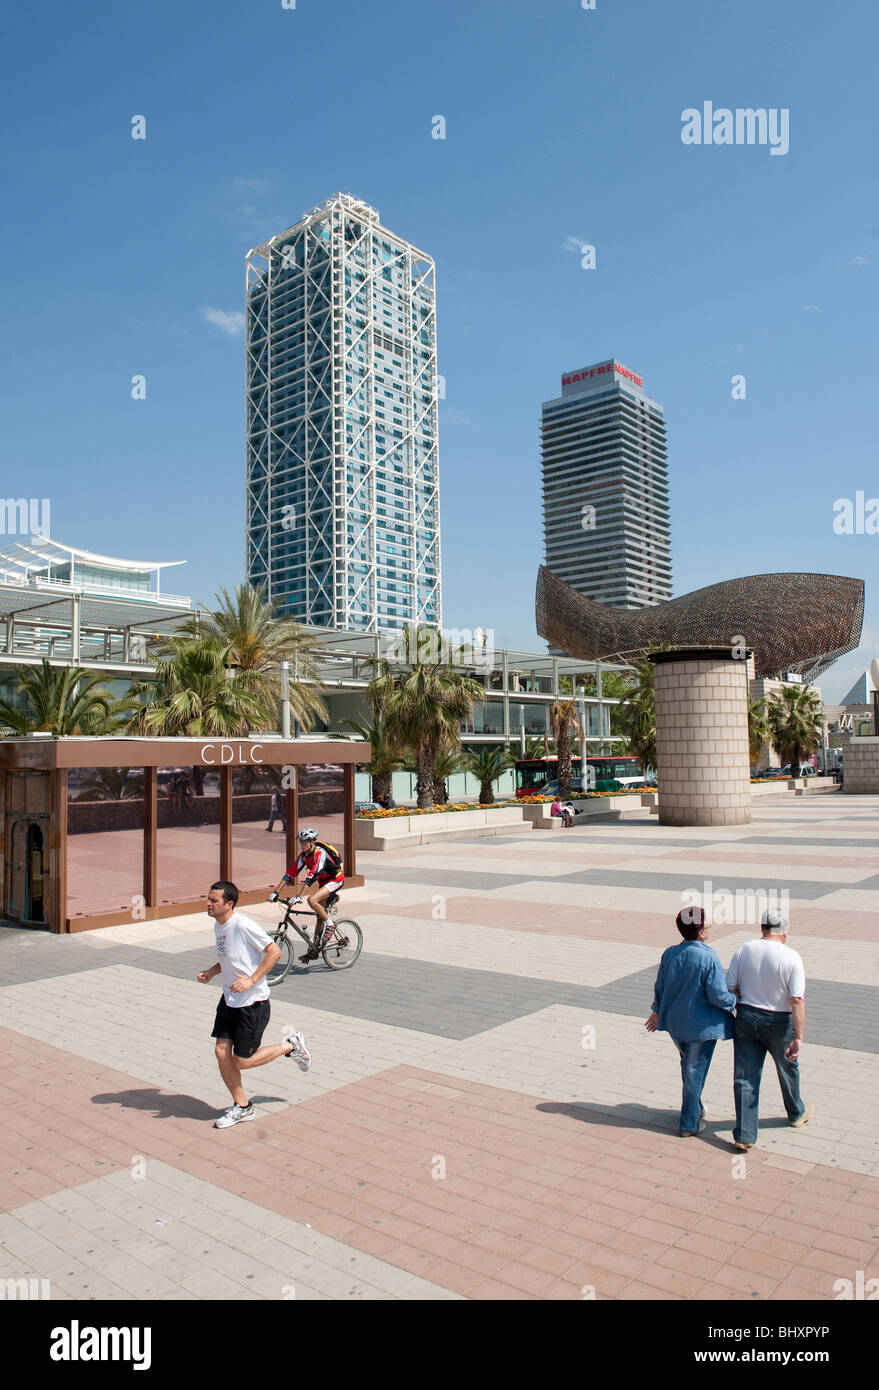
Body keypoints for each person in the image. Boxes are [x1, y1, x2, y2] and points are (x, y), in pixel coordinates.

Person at [199, 881, 311, 1129]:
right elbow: (229, 959)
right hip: (229, 999)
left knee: (241, 1061)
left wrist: (251, 979)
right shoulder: (219, 926)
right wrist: (212, 972)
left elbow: (273, 952)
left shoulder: (243, 925)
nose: (208, 904)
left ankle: (289, 1046)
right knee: (220, 1052)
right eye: (208, 899)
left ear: (229, 904)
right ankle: (242, 1107)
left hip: (253, 1003)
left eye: (213, 900)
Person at [725, 908, 814, 1151]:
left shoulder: (744, 949)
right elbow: (797, 999)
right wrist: (799, 1036)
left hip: (745, 1017)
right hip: (779, 1021)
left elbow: (729, 986)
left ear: (762, 927)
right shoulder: (791, 956)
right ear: (785, 930)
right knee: (788, 1069)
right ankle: (796, 1113)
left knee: (745, 1077)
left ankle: (744, 1134)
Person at [645, 907, 737, 1136]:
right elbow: (717, 995)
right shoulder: (707, 956)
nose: (708, 930)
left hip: (675, 1023)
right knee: (695, 1070)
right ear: (700, 931)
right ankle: (689, 1123)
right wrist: (735, 1001)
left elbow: (661, 986)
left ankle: (694, 1107)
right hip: (701, 1027)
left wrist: (656, 1011)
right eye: (706, 926)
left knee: (687, 1066)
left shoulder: (670, 954)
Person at [269, 827, 344, 963]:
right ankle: (314, 949)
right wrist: (275, 892)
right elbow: (290, 874)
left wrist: (299, 896)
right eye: (301, 842)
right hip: (324, 882)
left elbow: (311, 876)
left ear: (312, 842)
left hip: (335, 880)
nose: (302, 844)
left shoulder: (319, 853)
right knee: (319, 917)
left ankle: (331, 924)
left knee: (311, 900)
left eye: (305, 842)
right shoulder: (304, 856)